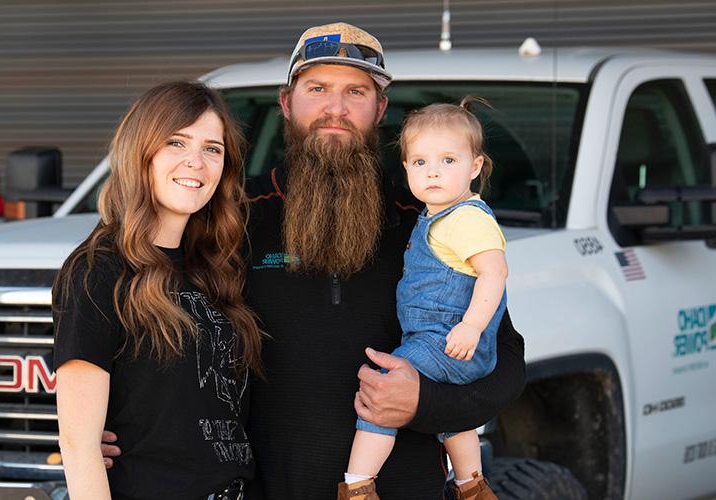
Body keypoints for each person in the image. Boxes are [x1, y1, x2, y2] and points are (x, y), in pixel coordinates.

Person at [102, 23, 526, 500]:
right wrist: (111, 423)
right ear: (287, 102)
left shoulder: (430, 222)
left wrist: (426, 403)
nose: (336, 109)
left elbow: (506, 358)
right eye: (317, 88)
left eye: (357, 91)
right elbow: (153, 315)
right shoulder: (232, 215)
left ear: (380, 108)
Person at [53, 81, 264, 500]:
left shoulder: (214, 267)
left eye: (212, 149)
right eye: (176, 142)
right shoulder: (99, 269)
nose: (195, 162)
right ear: (141, 153)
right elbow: (79, 446)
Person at [343, 99, 507, 500]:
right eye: (420, 162)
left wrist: (470, 327)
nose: (433, 171)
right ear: (406, 169)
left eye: (448, 160)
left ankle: (358, 484)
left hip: (448, 338)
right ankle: (472, 484)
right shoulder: (439, 215)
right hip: (441, 339)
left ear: (475, 167)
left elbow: (495, 272)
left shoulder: (467, 218)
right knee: (452, 419)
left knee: (382, 389)